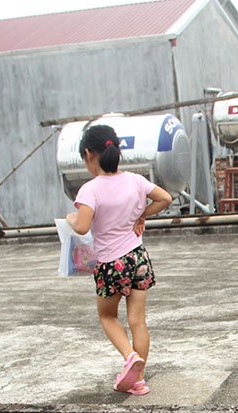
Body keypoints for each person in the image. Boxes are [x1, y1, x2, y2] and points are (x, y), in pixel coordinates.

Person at [67, 124, 173, 395]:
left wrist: (70, 218)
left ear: (89, 154)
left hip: (111, 265)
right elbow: (165, 198)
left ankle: (130, 357)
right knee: (138, 320)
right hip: (138, 259)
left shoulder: (90, 189)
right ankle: (138, 379)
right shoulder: (136, 181)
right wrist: (142, 215)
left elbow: (81, 227)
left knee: (107, 317)